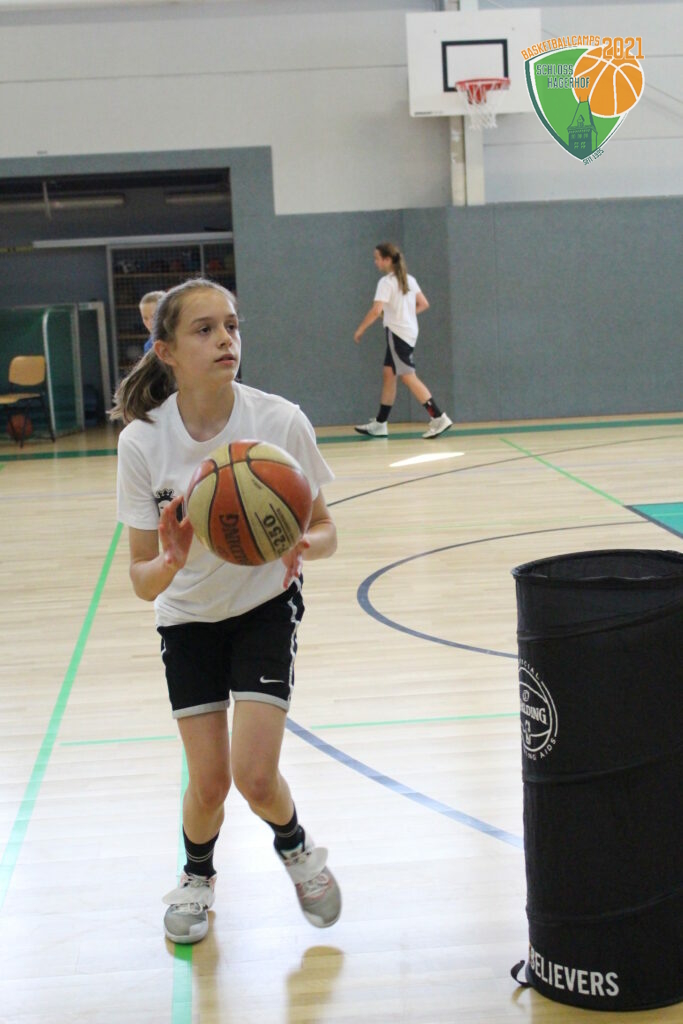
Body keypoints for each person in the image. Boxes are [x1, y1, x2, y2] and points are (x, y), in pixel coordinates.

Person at [111, 278, 341, 945]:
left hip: (264, 606)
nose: (225, 340)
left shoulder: (279, 421)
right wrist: (172, 559)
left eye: (232, 326)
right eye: (205, 329)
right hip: (186, 618)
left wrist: (300, 543)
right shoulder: (142, 443)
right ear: (165, 351)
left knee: (255, 777)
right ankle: (196, 878)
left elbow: (327, 529)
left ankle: (297, 851)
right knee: (209, 784)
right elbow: (141, 580)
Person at [353, 242, 453, 439]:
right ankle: (380, 423)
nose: (375, 262)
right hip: (408, 332)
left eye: (377, 258)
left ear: (387, 260)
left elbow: (376, 311)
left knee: (408, 376)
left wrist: (360, 329)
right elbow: (423, 303)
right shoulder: (409, 279)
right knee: (389, 374)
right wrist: (406, 314)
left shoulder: (386, 282)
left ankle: (438, 417)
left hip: (397, 334)